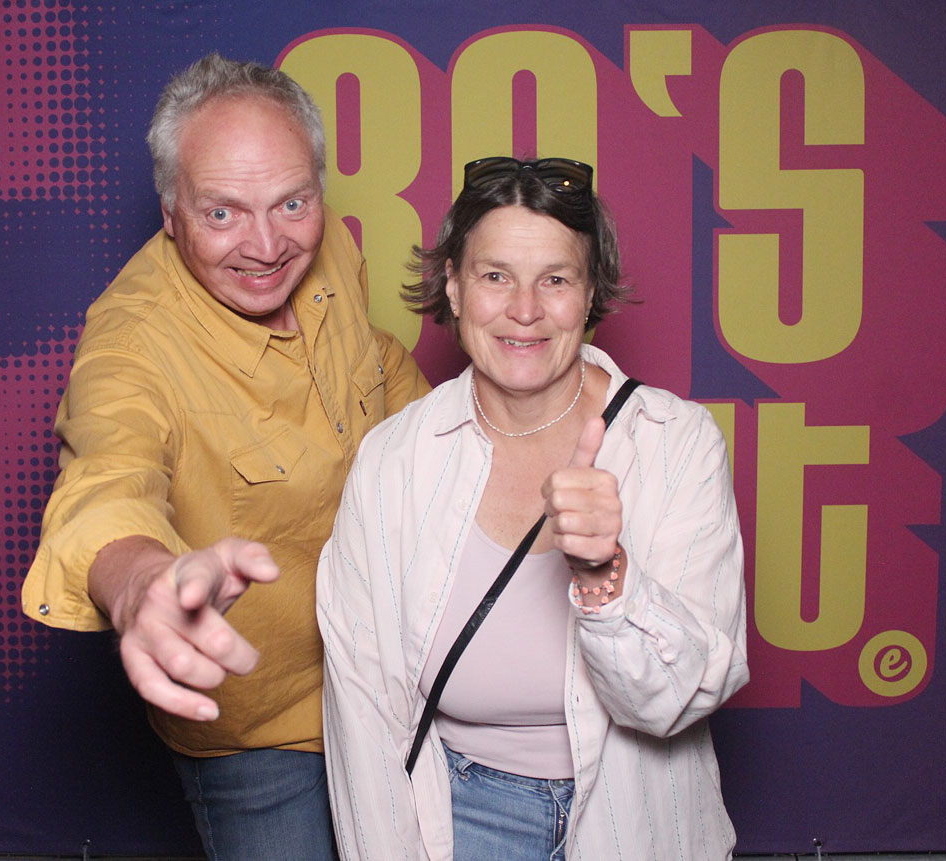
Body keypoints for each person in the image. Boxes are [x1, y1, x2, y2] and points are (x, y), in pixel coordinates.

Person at [20, 53, 429, 859]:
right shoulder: (131, 346)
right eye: (222, 214)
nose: (268, 245)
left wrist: (484, 441)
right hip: (259, 728)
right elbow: (106, 476)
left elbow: (375, 361)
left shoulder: (328, 251)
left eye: (292, 202)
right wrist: (141, 584)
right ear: (171, 213)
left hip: (387, 673)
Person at [316, 157, 748, 860]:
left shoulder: (677, 442)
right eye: (495, 276)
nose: (524, 309)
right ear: (453, 285)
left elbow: (676, 699)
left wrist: (606, 576)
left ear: (590, 292)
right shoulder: (393, 459)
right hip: (463, 817)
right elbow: (363, 715)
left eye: (556, 279)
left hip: (639, 816)